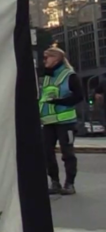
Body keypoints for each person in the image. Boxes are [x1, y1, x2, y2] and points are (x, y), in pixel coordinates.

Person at [40, 47, 80, 195]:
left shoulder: (69, 76)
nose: (44, 61)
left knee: (67, 153)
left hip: (66, 122)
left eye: (47, 58)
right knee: (47, 153)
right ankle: (54, 182)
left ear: (56, 59)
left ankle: (70, 183)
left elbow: (78, 96)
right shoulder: (46, 77)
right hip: (48, 122)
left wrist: (59, 102)